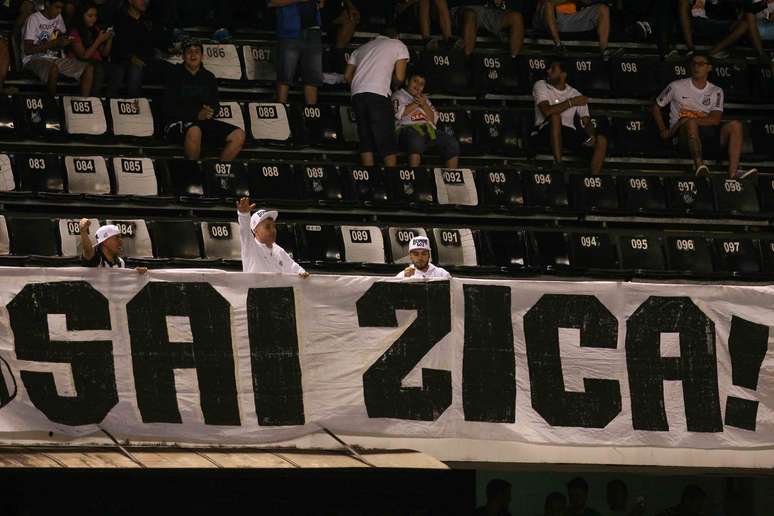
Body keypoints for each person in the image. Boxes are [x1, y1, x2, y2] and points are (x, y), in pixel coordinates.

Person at [652, 52, 756, 179]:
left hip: (707, 135)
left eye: (701, 64)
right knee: (691, 123)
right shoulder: (676, 86)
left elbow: (715, 120)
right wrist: (664, 130)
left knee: (736, 125)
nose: (696, 67)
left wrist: (686, 120)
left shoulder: (716, 91)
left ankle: (734, 172)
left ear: (709, 68)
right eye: (694, 64)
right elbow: (656, 107)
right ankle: (699, 166)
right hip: (683, 137)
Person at [162, 39, 246, 161]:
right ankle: (193, 176)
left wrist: (211, 111)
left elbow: (215, 105)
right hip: (177, 122)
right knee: (195, 131)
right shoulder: (174, 75)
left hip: (202, 122)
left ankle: (218, 172)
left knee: (239, 135)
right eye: (189, 52)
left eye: (197, 52)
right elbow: (168, 108)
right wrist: (196, 114)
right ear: (183, 55)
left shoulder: (209, 77)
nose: (193, 55)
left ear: (202, 56)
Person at [345, 27, 410, 167]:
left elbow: (347, 76)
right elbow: (399, 77)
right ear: (396, 36)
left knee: (365, 136)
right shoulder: (398, 45)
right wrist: (393, 83)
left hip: (357, 93)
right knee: (386, 137)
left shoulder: (361, 48)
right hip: (378, 93)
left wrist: (363, 85)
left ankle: (369, 175)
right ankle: (391, 176)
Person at [530, 59, 608, 174]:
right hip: (544, 131)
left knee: (601, 140)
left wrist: (591, 134)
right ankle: (558, 164)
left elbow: (586, 121)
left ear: (563, 75)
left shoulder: (575, 94)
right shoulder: (541, 85)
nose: (548, 71)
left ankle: (594, 179)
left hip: (568, 133)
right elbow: (547, 111)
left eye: (553, 69)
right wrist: (571, 102)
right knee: (555, 117)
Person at [22, 0, 94, 95]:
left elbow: (59, 35)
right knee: (53, 69)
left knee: (88, 68)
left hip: (53, 58)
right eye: (57, 7)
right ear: (48, 4)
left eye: (61, 8)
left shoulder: (58, 17)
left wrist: (63, 42)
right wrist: (52, 43)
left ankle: (83, 103)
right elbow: (28, 50)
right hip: (33, 59)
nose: (59, 11)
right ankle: (51, 103)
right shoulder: (33, 19)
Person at [392, 69, 460, 167]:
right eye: (415, 81)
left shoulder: (425, 99)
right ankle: (414, 177)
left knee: (452, 143)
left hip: (429, 130)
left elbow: (434, 120)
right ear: (407, 81)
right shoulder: (398, 95)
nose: (418, 86)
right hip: (407, 130)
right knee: (415, 140)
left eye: (421, 84)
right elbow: (398, 113)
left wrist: (424, 105)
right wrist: (416, 103)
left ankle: (451, 178)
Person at [236, 197, 310, 277]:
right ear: (255, 230)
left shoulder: (278, 250)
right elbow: (245, 231)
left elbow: (293, 268)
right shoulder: (250, 247)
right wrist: (243, 215)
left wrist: (302, 273)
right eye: (267, 227)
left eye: (274, 226)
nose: (273, 230)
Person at [268, 0, 323, 105]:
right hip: (289, 32)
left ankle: (311, 118)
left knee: (312, 79)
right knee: (285, 77)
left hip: (313, 30)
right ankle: (281, 113)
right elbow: (271, 2)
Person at [678, 0, 769, 63]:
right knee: (683, 4)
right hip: (702, 21)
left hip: (725, 23)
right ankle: (691, 49)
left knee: (745, 23)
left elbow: (744, 9)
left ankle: (712, 52)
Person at [533, 0, 617, 61]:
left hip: (570, 19)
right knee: (548, 4)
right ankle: (558, 46)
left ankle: (604, 50)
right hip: (549, 19)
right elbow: (548, 4)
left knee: (603, 8)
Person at [108, 0, 155, 97]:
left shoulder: (148, 20)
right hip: (121, 58)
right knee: (121, 70)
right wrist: (131, 57)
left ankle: (136, 107)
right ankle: (108, 106)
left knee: (136, 69)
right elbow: (118, 46)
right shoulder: (120, 19)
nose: (145, 1)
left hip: (144, 60)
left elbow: (153, 44)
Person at [449, 0, 524, 58]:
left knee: (516, 17)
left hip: (486, 9)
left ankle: (513, 64)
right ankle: (467, 65)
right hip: (463, 7)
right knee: (470, 15)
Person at [67, 1, 113, 95]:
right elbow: (84, 56)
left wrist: (109, 39)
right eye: (90, 16)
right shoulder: (74, 32)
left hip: (97, 62)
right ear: (81, 16)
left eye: (95, 16)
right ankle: (90, 100)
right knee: (96, 68)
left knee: (114, 69)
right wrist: (99, 40)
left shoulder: (95, 29)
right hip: (78, 63)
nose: (93, 19)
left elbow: (104, 53)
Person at [79, 219, 146, 273]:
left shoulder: (120, 262)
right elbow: (87, 250)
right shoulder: (94, 258)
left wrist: (134, 273)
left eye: (120, 238)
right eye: (117, 238)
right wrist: (83, 231)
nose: (121, 242)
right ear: (105, 241)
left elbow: (120, 281)